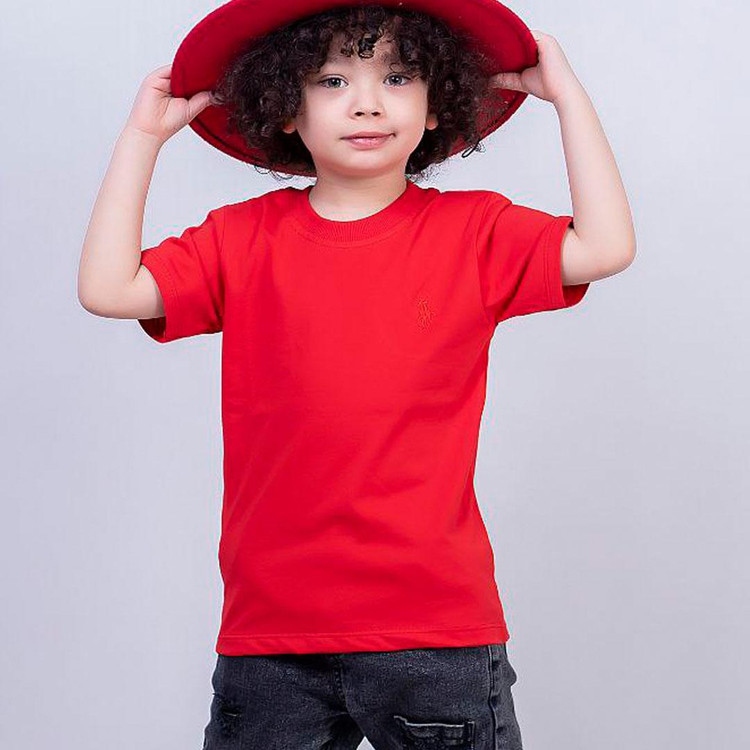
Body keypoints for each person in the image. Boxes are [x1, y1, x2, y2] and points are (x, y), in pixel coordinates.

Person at [77, 2, 635, 748]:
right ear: (284, 107)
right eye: (332, 79)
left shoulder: (475, 230)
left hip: (435, 629)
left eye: (397, 77)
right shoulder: (239, 239)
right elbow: (108, 288)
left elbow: (604, 245)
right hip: (271, 635)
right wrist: (142, 140)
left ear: (436, 103)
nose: (367, 102)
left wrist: (568, 99)